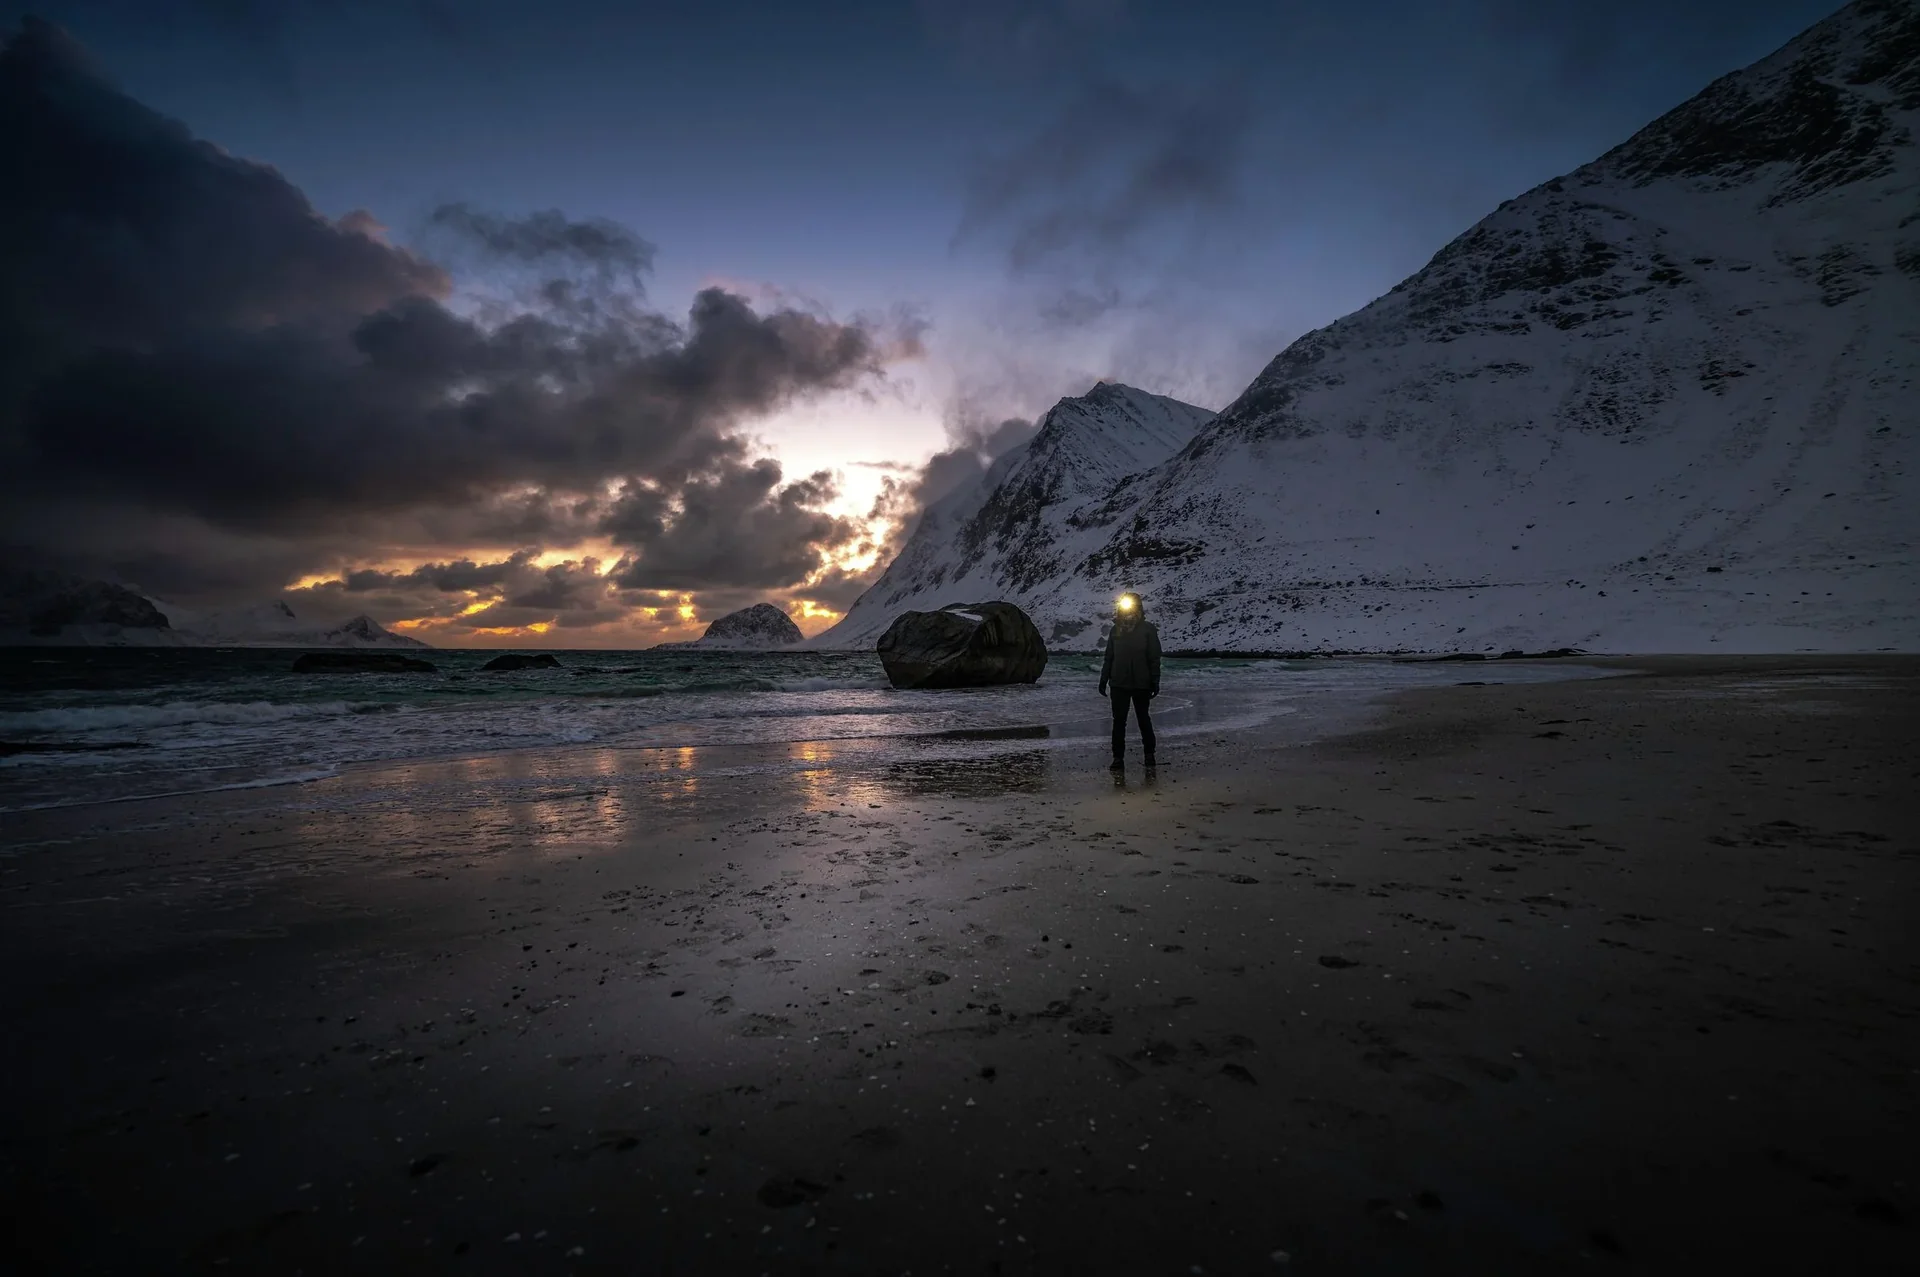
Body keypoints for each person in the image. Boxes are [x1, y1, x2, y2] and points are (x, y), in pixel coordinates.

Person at [1098, 591, 1161, 768]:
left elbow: (1154, 657)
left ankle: (1149, 755)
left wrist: (1155, 680)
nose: (1128, 609)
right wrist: (1103, 679)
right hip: (1118, 683)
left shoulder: (1148, 630)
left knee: (1143, 720)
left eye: (1132, 605)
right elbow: (1109, 656)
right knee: (1119, 722)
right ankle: (1118, 758)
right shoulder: (1115, 630)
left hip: (1142, 683)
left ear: (1139, 607)